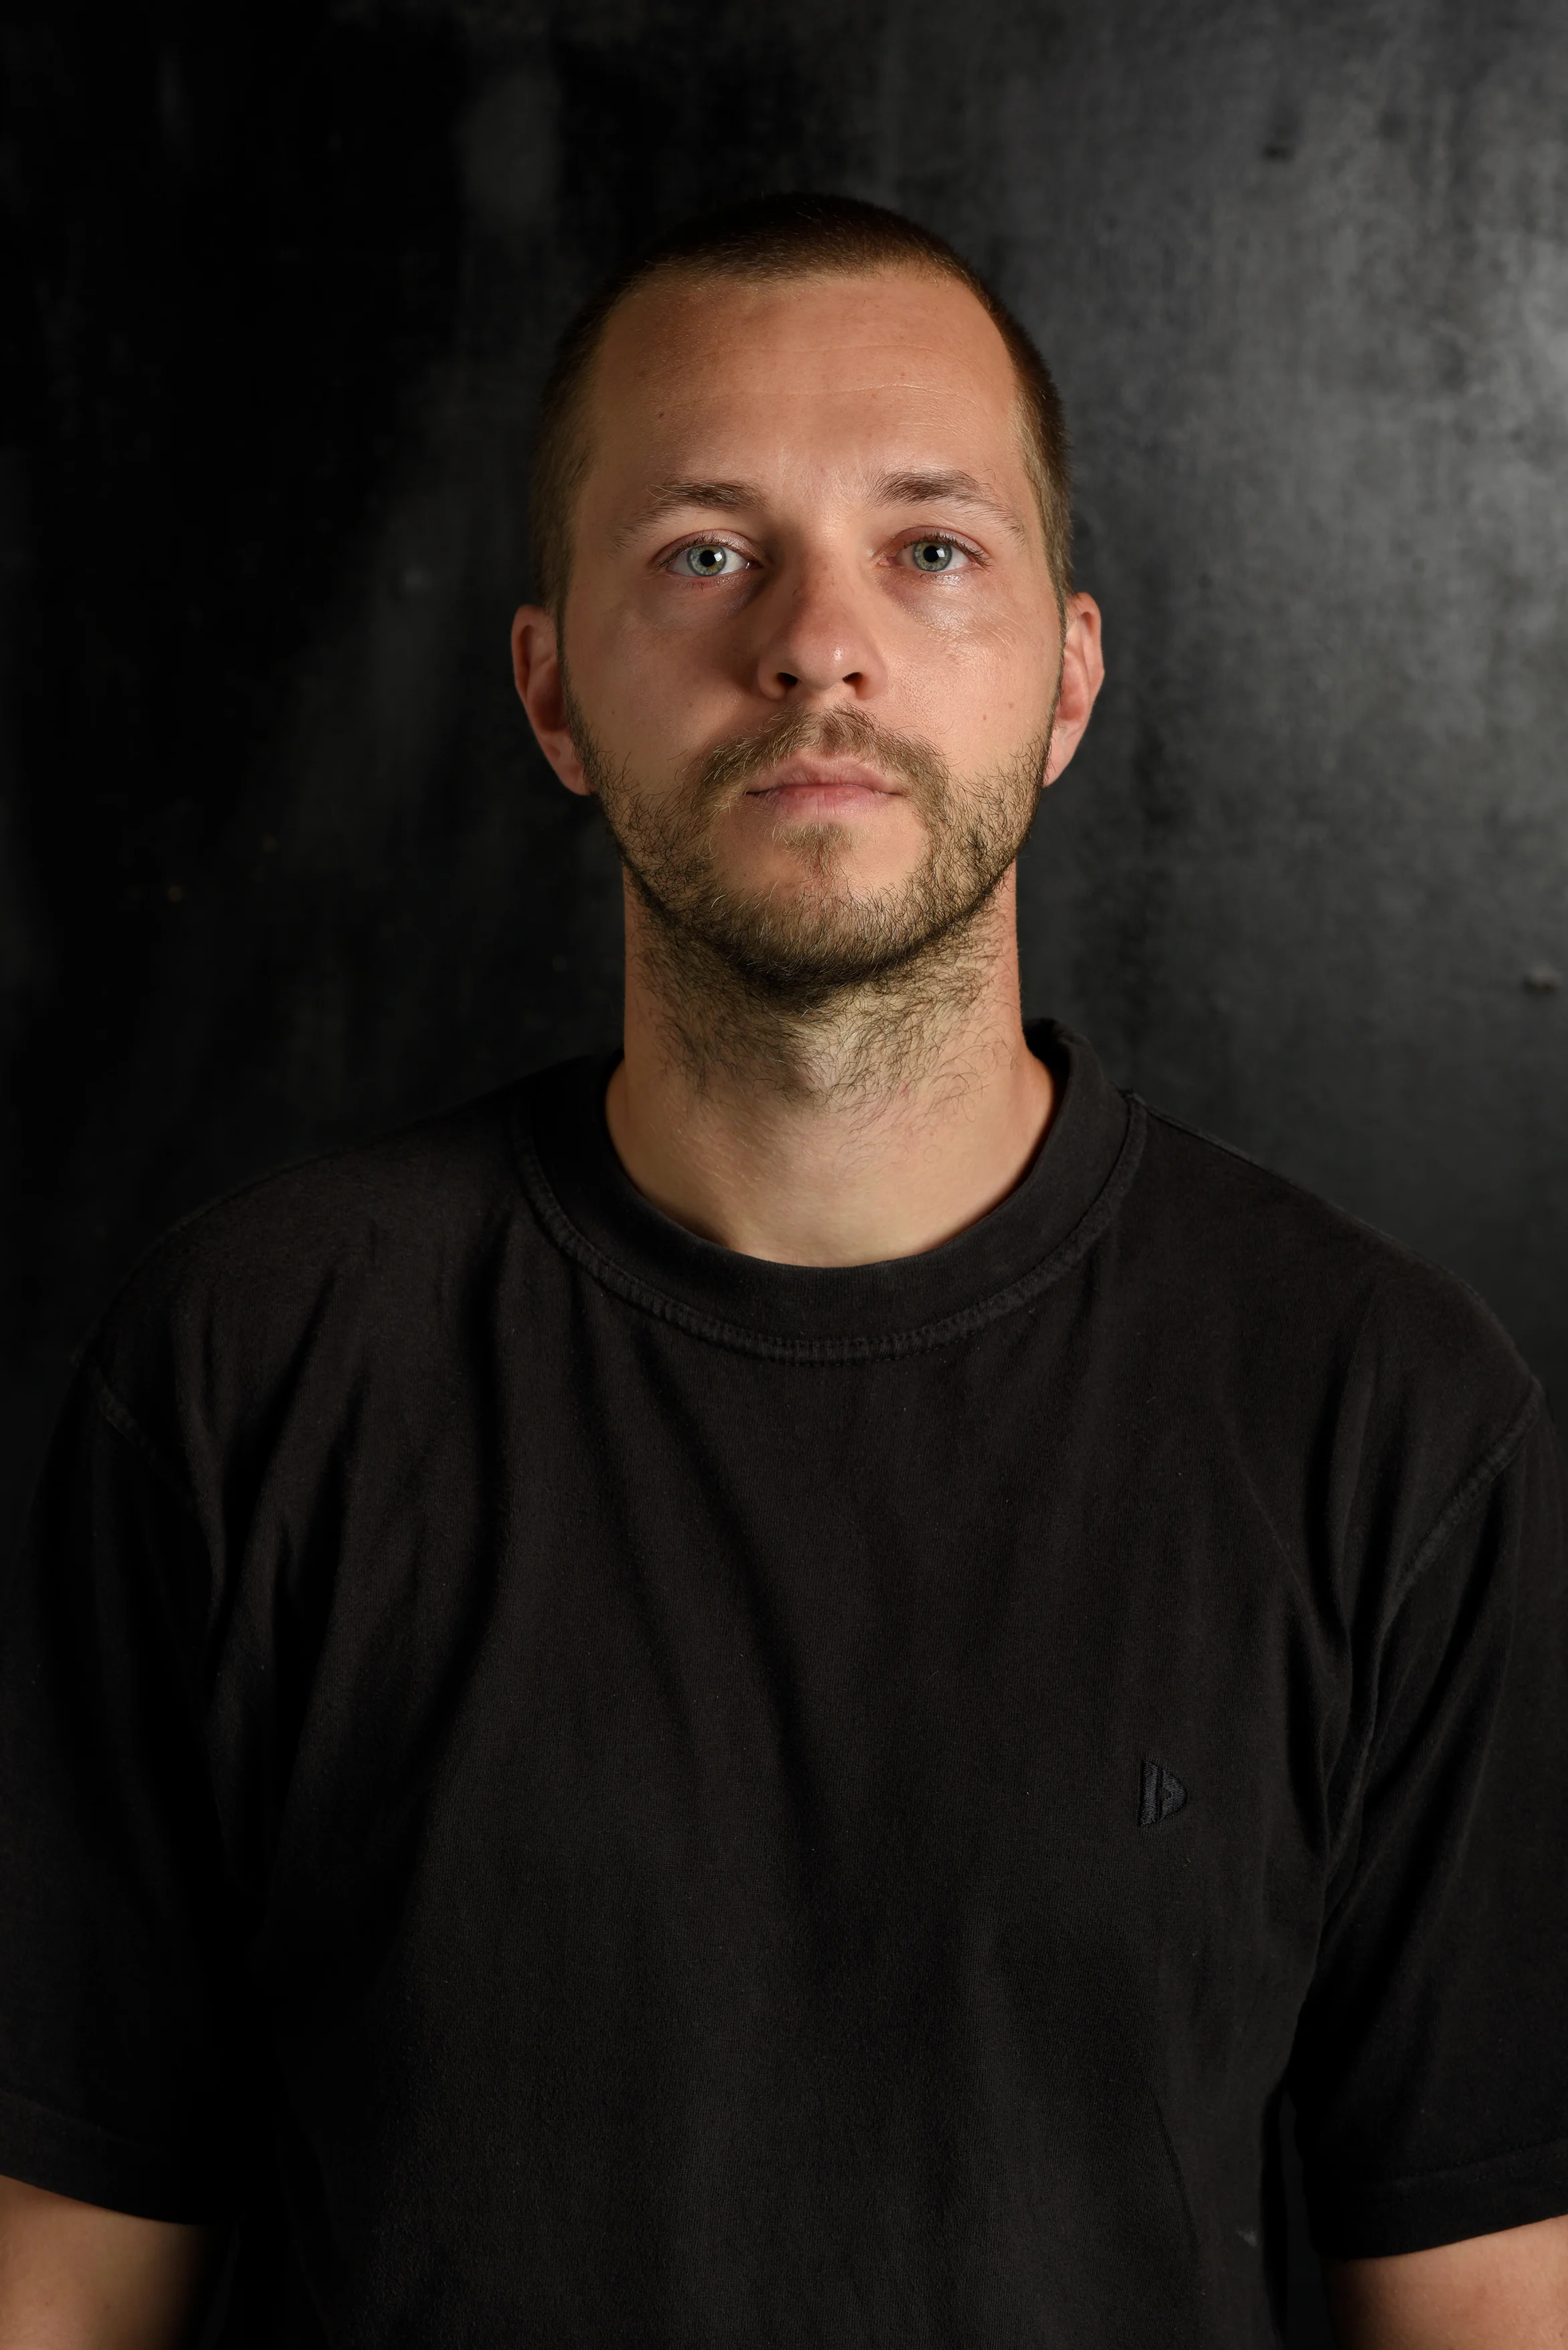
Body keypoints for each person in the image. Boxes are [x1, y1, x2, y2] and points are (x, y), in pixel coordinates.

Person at [1, 192, 1565, 2350]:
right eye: (703, 550)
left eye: (929, 547)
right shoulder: (250, 1369)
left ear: (1066, 682)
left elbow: (1489, 2290)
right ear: (551, 690)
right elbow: (64, 2265)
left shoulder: (1373, 1406)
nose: (817, 642)